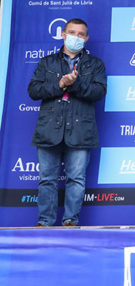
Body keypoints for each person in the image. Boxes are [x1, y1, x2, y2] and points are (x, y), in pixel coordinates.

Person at [28, 18, 106, 226]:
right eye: (72, 32)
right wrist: (60, 83)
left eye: (81, 34)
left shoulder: (96, 64)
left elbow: (99, 92)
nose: (76, 37)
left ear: (86, 38)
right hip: (49, 129)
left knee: (76, 179)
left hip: (81, 130)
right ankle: (45, 222)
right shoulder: (47, 62)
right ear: (63, 34)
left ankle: (70, 221)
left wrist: (75, 84)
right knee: (47, 179)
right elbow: (34, 91)